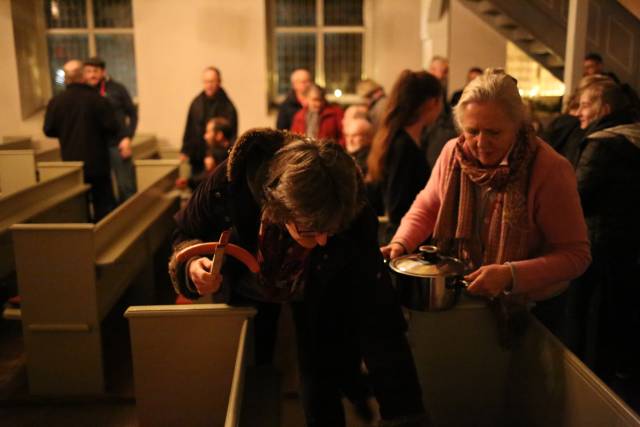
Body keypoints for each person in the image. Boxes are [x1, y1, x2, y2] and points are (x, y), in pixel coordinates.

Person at [169, 129, 428, 427]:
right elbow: (182, 233)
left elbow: (378, 313)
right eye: (309, 229)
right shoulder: (229, 184)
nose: (320, 240)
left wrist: (405, 414)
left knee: (320, 373)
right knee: (254, 377)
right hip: (246, 288)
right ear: (280, 207)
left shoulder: (349, 205)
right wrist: (191, 265)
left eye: (329, 230)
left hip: (316, 287)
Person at [382, 69, 591, 343]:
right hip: (469, 300)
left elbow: (576, 256)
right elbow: (428, 206)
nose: (481, 144)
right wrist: (401, 244)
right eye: (472, 131)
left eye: (493, 132)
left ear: (518, 125)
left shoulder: (549, 168)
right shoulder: (453, 154)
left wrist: (510, 274)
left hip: (533, 310)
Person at [568, 77, 640, 383]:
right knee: (620, 308)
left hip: (598, 241)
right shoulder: (633, 135)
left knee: (593, 316)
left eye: (585, 105)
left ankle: (591, 379)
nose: (579, 112)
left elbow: (576, 197)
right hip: (629, 238)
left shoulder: (602, 144)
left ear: (604, 108)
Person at [366, 70, 443, 241]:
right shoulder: (402, 145)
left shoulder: (411, 139)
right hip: (403, 240)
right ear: (432, 102)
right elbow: (396, 207)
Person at [43, 59, 121, 222]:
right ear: (83, 76)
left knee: (78, 206)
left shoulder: (56, 101)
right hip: (97, 161)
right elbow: (113, 127)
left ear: (66, 78)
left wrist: (67, 133)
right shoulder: (98, 99)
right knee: (103, 205)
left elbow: (48, 130)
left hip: (71, 162)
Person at [83, 56, 138, 203]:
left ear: (103, 72)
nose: (91, 75)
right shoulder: (84, 92)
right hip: (95, 148)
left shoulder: (117, 88)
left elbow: (132, 113)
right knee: (102, 190)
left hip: (118, 144)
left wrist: (128, 137)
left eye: (95, 71)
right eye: (88, 71)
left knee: (126, 186)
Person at [181, 66, 238, 180]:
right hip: (198, 159)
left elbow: (230, 139)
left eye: (212, 81)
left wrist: (215, 156)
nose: (209, 85)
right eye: (206, 82)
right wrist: (185, 150)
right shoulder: (196, 103)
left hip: (219, 161)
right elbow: (189, 129)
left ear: (219, 82)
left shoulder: (228, 107)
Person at [176, 117, 234, 190]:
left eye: (208, 132)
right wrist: (189, 182)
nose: (205, 137)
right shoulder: (233, 152)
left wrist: (212, 170)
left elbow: (209, 185)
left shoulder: (218, 157)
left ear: (219, 135)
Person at [421, 56, 458, 170]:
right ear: (432, 70)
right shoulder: (424, 89)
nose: (445, 75)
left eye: (446, 72)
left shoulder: (440, 88)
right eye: (443, 71)